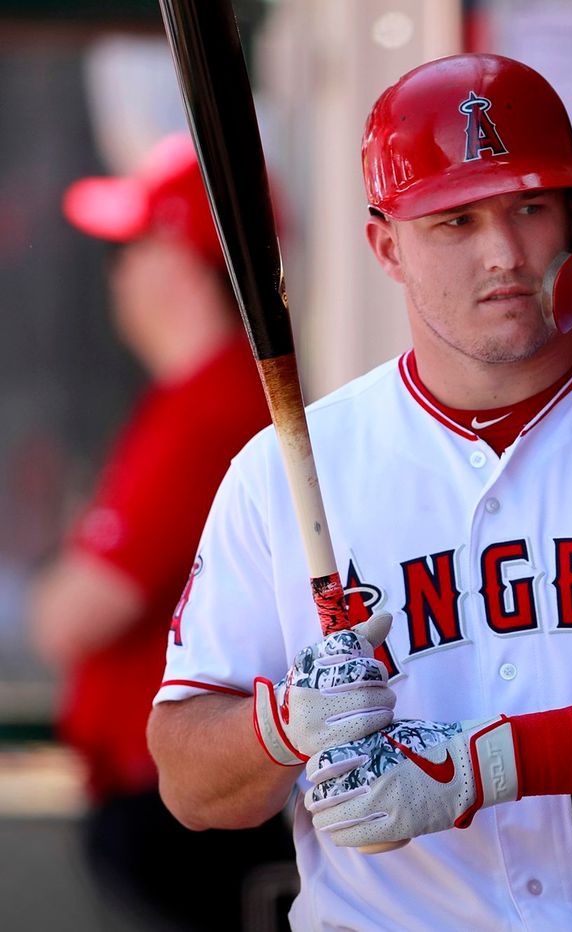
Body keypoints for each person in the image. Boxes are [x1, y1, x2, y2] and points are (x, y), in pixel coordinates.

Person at [147, 54, 572, 930]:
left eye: (530, 207)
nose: (504, 253)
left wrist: (486, 766)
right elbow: (188, 781)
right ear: (387, 247)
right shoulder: (287, 468)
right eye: (456, 220)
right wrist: (285, 724)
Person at [28, 134, 296, 928]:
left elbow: (73, 616)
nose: (118, 273)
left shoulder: (213, 408)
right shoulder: (198, 398)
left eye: (132, 248)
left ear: (179, 261)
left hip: (195, 806)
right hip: (186, 793)